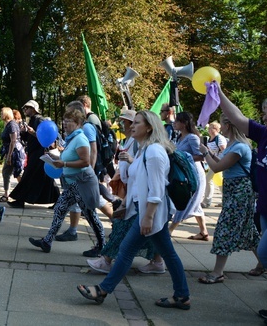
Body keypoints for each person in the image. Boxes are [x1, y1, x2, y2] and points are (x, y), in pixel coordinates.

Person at [77, 110, 190, 310]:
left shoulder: (154, 152)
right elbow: (138, 184)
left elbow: (156, 190)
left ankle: (102, 290)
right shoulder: (145, 150)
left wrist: (147, 217)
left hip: (150, 212)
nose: (132, 125)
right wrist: (128, 206)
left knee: (126, 251)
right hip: (145, 211)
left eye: (137, 123)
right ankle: (182, 295)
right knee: (168, 255)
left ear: (149, 127)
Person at [212, 84, 267, 323]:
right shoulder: (264, 134)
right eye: (265, 113)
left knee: (266, 255)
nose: (266, 117)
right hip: (266, 209)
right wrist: (218, 92)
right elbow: (236, 116)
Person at [28, 108, 104, 254]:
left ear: (77, 123)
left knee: (90, 215)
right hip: (73, 184)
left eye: (68, 121)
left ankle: (102, 246)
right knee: (60, 209)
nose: (64, 124)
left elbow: (85, 162)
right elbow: (69, 158)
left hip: (82, 183)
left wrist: (64, 164)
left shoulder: (80, 139)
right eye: (64, 121)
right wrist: (55, 158)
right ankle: (47, 241)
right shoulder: (72, 138)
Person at [197, 113, 261, 283]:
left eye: (222, 124)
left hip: (240, 192)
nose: (219, 127)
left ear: (228, 126)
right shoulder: (234, 145)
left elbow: (217, 168)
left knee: (224, 230)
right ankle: (263, 262)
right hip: (235, 191)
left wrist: (205, 154)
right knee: (249, 232)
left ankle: (218, 272)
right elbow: (224, 163)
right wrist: (210, 153)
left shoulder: (239, 146)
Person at [7, 100, 60, 208]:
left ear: (33, 109)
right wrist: (24, 132)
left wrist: (32, 132)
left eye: (27, 108)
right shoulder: (33, 120)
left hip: (39, 153)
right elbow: (29, 138)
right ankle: (58, 201)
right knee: (45, 178)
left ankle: (20, 200)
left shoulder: (39, 120)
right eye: (24, 108)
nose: (25, 110)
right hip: (35, 153)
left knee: (29, 176)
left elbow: (44, 138)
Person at [168, 112, 209, 240]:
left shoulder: (192, 137)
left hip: (194, 173)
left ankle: (170, 230)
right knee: (194, 203)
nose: (174, 123)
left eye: (177, 121)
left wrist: (184, 158)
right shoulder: (179, 137)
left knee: (185, 200)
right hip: (184, 172)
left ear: (184, 123)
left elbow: (201, 156)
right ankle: (204, 232)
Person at [0, 107, 25, 202]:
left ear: (6, 114)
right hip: (12, 151)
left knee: (16, 173)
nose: (0, 114)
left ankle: (22, 193)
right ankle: (7, 194)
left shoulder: (12, 124)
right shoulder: (9, 124)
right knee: (7, 172)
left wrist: (9, 156)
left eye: (1, 112)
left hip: (15, 152)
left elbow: (13, 140)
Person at [201, 121, 227, 208]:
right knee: (219, 182)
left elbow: (224, 150)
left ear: (215, 129)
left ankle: (207, 201)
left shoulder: (219, 138)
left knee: (208, 179)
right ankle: (225, 200)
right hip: (212, 163)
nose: (208, 129)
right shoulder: (210, 139)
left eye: (210, 128)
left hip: (218, 162)